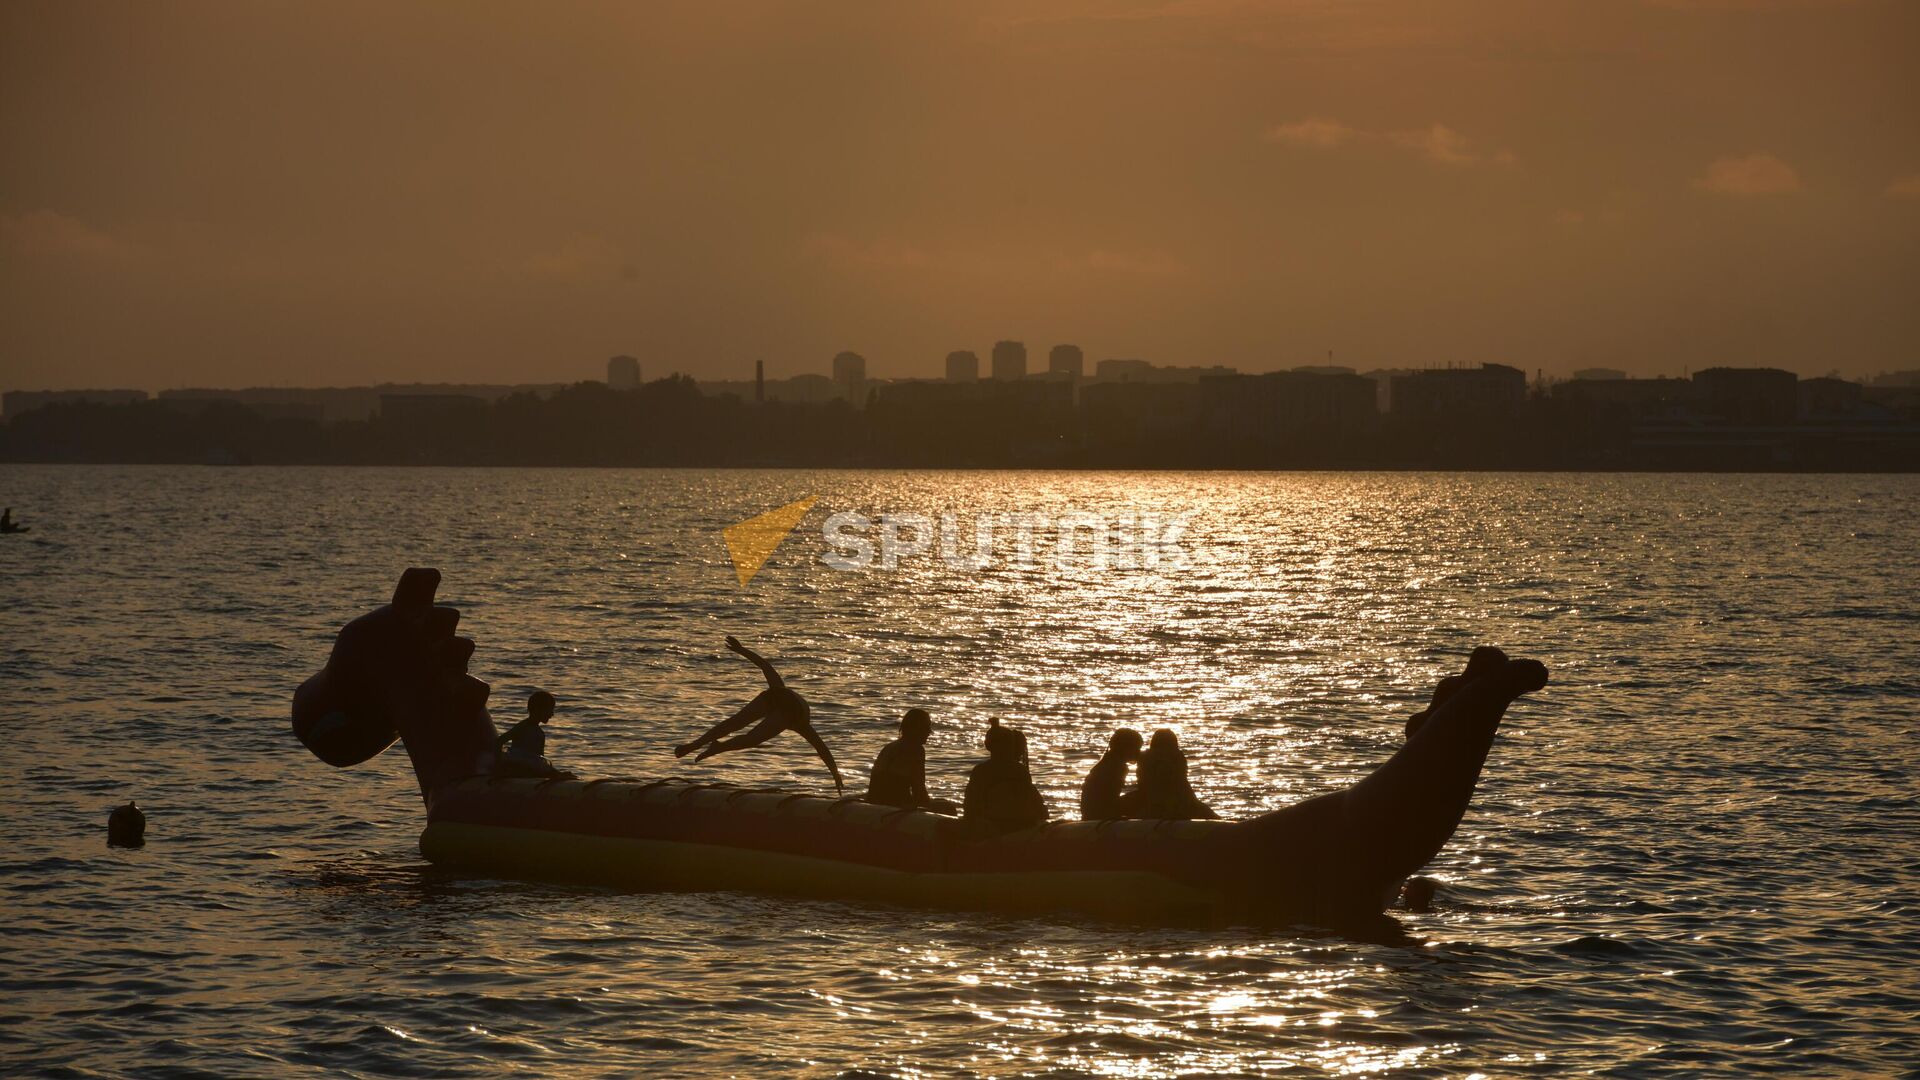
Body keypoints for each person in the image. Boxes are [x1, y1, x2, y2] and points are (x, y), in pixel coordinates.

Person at [677, 635, 845, 794]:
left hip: (777, 696)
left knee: (735, 724)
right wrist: (835, 774)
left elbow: (765, 666)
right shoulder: (800, 723)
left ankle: (697, 745)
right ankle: (714, 746)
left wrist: (741, 649)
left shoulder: (781, 693)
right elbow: (822, 748)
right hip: (783, 702)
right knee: (749, 737)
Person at [962, 719, 1048, 836]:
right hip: (1021, 826)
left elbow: (970, 807)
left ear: (988, 745)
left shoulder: (981, 771)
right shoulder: (1020, 770)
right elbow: (1038, 807)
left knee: (943, 826)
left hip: (993, 827)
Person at [865, 708, 958, 813]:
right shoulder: (916, 750)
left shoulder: (890, 747)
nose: (929, 732)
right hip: (895, 805)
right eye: (926, 727)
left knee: (940, 802)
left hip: (874, 802)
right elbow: (919, 791)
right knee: (948, 807)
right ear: (914, 729)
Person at [1120, 728, 1218, 820]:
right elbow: (1181, 782)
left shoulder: (1146, 757)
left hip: (1155, 800)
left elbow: (1143, 784)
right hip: (1174, 800)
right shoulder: (1177, 756)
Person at [494, 690, 572, 778]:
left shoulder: (536, 731)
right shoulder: (523, 727)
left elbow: (539, 760)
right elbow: (499, 742)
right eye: (550, 710)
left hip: (529, 770)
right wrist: (498, 767)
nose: (552, 714)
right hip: (520, 769)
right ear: (538, 709)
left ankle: (558, 775)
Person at [1079, 727, 1142, 821]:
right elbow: (1109, 799)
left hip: (1090, 812)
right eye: (1137, 748)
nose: (1138, 752)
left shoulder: (1106, 762)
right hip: (1100, 813)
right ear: (1126, 748)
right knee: (1140, 796)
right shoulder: (1118, 767)